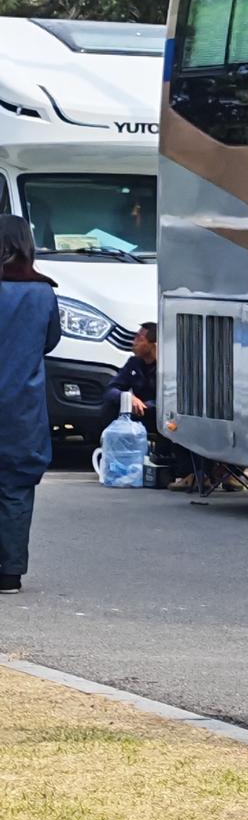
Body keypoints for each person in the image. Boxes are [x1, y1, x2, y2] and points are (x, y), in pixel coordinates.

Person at [0, 214, 61, 593]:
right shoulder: (43, 294)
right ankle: (9, 571)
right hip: (22, 408)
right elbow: (50, 341)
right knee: (17, 487)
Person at [100, 322, 157, 430]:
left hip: (158, 415)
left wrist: (145, 406)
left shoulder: (168, 368)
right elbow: (111, 389)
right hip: (138, 413)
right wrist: (127, 397)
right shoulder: (134, 363)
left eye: (139, 339)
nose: (133, 343)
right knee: (110, 405)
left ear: (152, 344)